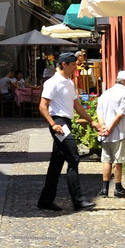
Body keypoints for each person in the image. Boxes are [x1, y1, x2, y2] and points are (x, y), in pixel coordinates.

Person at [37, 51, 100, 212]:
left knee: (57, 162)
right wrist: (53, 125)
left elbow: (76, 105)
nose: (75, 67)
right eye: (73, 65)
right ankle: (78, 200)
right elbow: (42, 106)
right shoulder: (53, 82)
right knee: (73, 158)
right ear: (64, 64)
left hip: (66, 123)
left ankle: (45, 200)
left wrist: (92, 121)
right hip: (59, 123)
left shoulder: (69, 82)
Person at [95, 70, 125, 198]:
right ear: (124, 82)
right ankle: (118, 188)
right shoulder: (124, 94)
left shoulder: (106, 93)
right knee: (118, 161)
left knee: (106, 160)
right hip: (120, 133)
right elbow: (120, 114)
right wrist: (110, 128)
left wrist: (103, 127)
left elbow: (99, 112)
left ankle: (104, 189)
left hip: (105, 134)